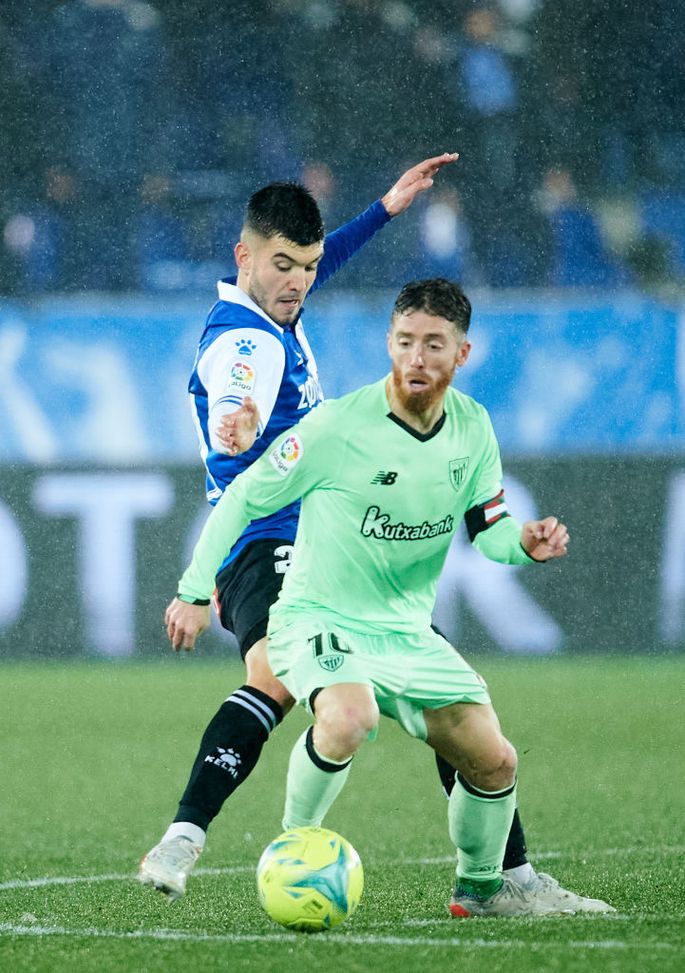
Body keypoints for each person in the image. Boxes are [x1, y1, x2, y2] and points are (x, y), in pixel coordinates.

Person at [138, 167, 608, 915]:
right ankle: (185, 835)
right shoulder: (243, 343)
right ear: (243, 258)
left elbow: (324, 255)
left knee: (439, 691)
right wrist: (239, 419)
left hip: (333, 525)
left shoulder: (273, 300)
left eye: (307, 267)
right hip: (266, 532)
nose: (298, 282)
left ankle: (504, 878)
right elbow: (239, 388)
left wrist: (385, 210)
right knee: (276, 677)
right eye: (283, 266)